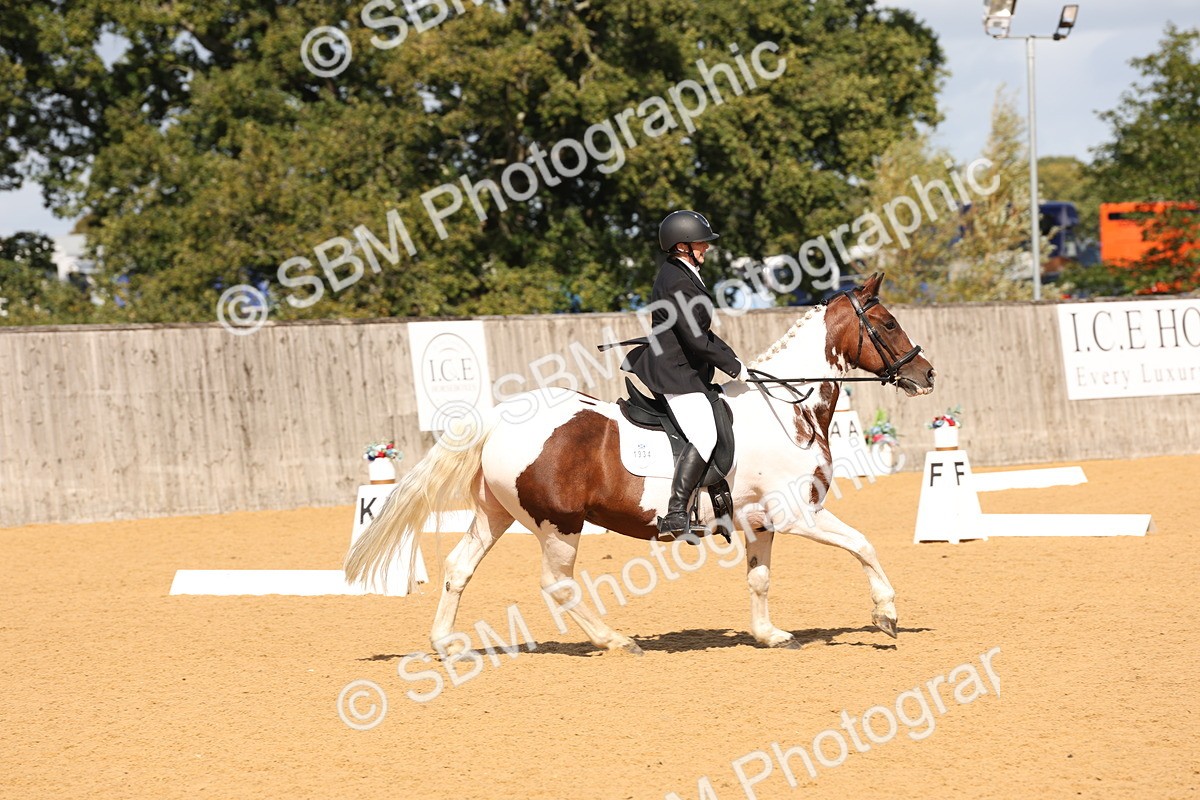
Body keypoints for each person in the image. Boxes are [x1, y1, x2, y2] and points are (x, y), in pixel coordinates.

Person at [623, 210, 749, 539]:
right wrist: (732, 367)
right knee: (705, 436)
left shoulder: (682, 273)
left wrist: (734, 358)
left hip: (687, 371)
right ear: (682, 246)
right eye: (701, 244)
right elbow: (695, 339)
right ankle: (676, 512)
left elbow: (701, 333)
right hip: (676, 375)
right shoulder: (678, 280)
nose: (706, 249)